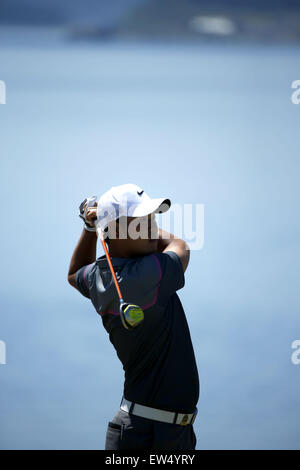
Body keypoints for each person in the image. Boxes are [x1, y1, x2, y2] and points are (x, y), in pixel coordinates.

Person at [67, 183, 199, 450]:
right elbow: (179, 245)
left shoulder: (98, 276)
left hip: (139, 428)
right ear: (116, 231)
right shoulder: (147, 275)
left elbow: (75, 273)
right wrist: (101, 227)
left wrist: (92, 228)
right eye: (141, 222)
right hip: (154, 436)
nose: (151, 227)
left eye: (152, 219)